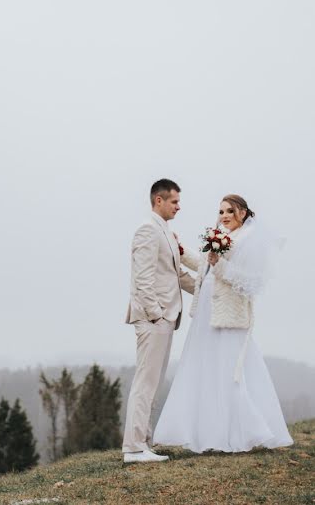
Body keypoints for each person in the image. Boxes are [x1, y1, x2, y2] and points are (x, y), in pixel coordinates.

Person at [153, 194, 293, 453]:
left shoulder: (249, 241)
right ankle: (205, 433)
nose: (224, 215)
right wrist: (183, 253)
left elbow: (250, 281)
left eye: (230, 210)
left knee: (230, 369)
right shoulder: (221, 236)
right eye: (221, 211)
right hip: (208, 309)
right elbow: (206, 266)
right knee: (205, 366)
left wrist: (220, 266)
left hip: (229, 314)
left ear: (242, 212)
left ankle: (242, 431)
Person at [122, 178, 196, 463]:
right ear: (159, 201)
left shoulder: (165, 232)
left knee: (153, 383)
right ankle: (132, 448)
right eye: (175, 201)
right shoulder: (147, 230)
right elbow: (143, 279)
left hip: (166, 318)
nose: (179, 207)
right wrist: (157, 314)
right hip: (154, 319)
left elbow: (175, 275)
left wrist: (209, 288)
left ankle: (144, 443)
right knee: (145, 382)